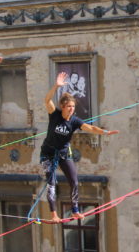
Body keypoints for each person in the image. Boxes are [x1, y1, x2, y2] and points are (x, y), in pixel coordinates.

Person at [40, 71, 119, 223]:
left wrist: (105, 132)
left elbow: (90, 128)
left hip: (64, 154)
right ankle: (54, 214)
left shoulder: (75, 121)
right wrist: (56, 86)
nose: (71, 109)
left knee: (74, 181)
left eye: (73, 106)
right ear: (62, 107)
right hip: (48, 154)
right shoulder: (54, 114)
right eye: (69, 106)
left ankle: (75, 210)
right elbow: (47, 99)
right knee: (51, 183)